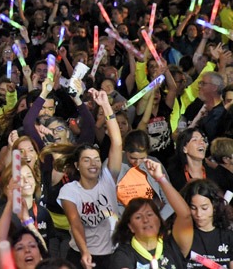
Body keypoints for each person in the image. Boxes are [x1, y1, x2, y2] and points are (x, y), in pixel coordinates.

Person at [57, 89, 122, 269]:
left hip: (111, 254)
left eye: (96, 159)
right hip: (79, 254)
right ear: (77, 166)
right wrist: (85, 251)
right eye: (87, 160)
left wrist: (106, 106)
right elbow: (75, 223)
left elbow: (117, 142)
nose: (93, 164)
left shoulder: (108, 179)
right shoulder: (69, 190)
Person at [110, 159, 194, 269]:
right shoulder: (123, 255)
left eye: (150, 214)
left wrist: (161, 179)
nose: (146, 220)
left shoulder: (173, 246)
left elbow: (185, 215)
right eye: (138, 217)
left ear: (159, 220)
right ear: (130, 226)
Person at [180, 179, 233, 269]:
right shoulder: (183, 236)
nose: (198, 214)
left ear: (214, 206)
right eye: (193, 208)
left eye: (204, 208)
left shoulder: (228, 237)